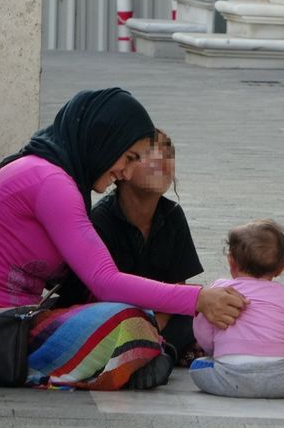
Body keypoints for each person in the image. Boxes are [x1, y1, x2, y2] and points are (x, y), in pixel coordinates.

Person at [0, 88, 246, 390]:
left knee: (134, 315)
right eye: (129, 156)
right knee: (131, 322)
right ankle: (130, 362)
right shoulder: (52, 183)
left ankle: (135, 359)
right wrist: (197, 299)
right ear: (102, 140)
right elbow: (104, 281)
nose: (126, 171)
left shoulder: (46, 172)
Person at [54, 128, 205, 365]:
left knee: (200, 317)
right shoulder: (100, 220)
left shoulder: (172, 215)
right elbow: (94, 295)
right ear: (124, 168)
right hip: (107, 317)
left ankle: (153, 351)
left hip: (157, 319)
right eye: (149, 152)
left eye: (168, 153)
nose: (162, 159)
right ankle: (156, 353)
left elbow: (179, 287)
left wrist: (156, 325)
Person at [189, 219, 284, 398]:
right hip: (279, 382)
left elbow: (202, 329)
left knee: (197, 366)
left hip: (227, 378)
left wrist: (213, 352)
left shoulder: (219, 290)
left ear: (231, 261)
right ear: (281, 268)